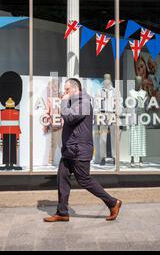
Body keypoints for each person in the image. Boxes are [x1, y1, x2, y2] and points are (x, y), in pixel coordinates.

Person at [43, 78, 122, 222]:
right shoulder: (75, 102)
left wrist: (63, 101)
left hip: (80, 150)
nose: (64, 93)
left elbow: (70, 117)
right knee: (62, 178)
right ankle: (62, 212)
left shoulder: (84, 102)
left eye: (67, 90)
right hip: (70, 150)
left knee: (84, 179)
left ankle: (112, 202)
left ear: (74, 89)